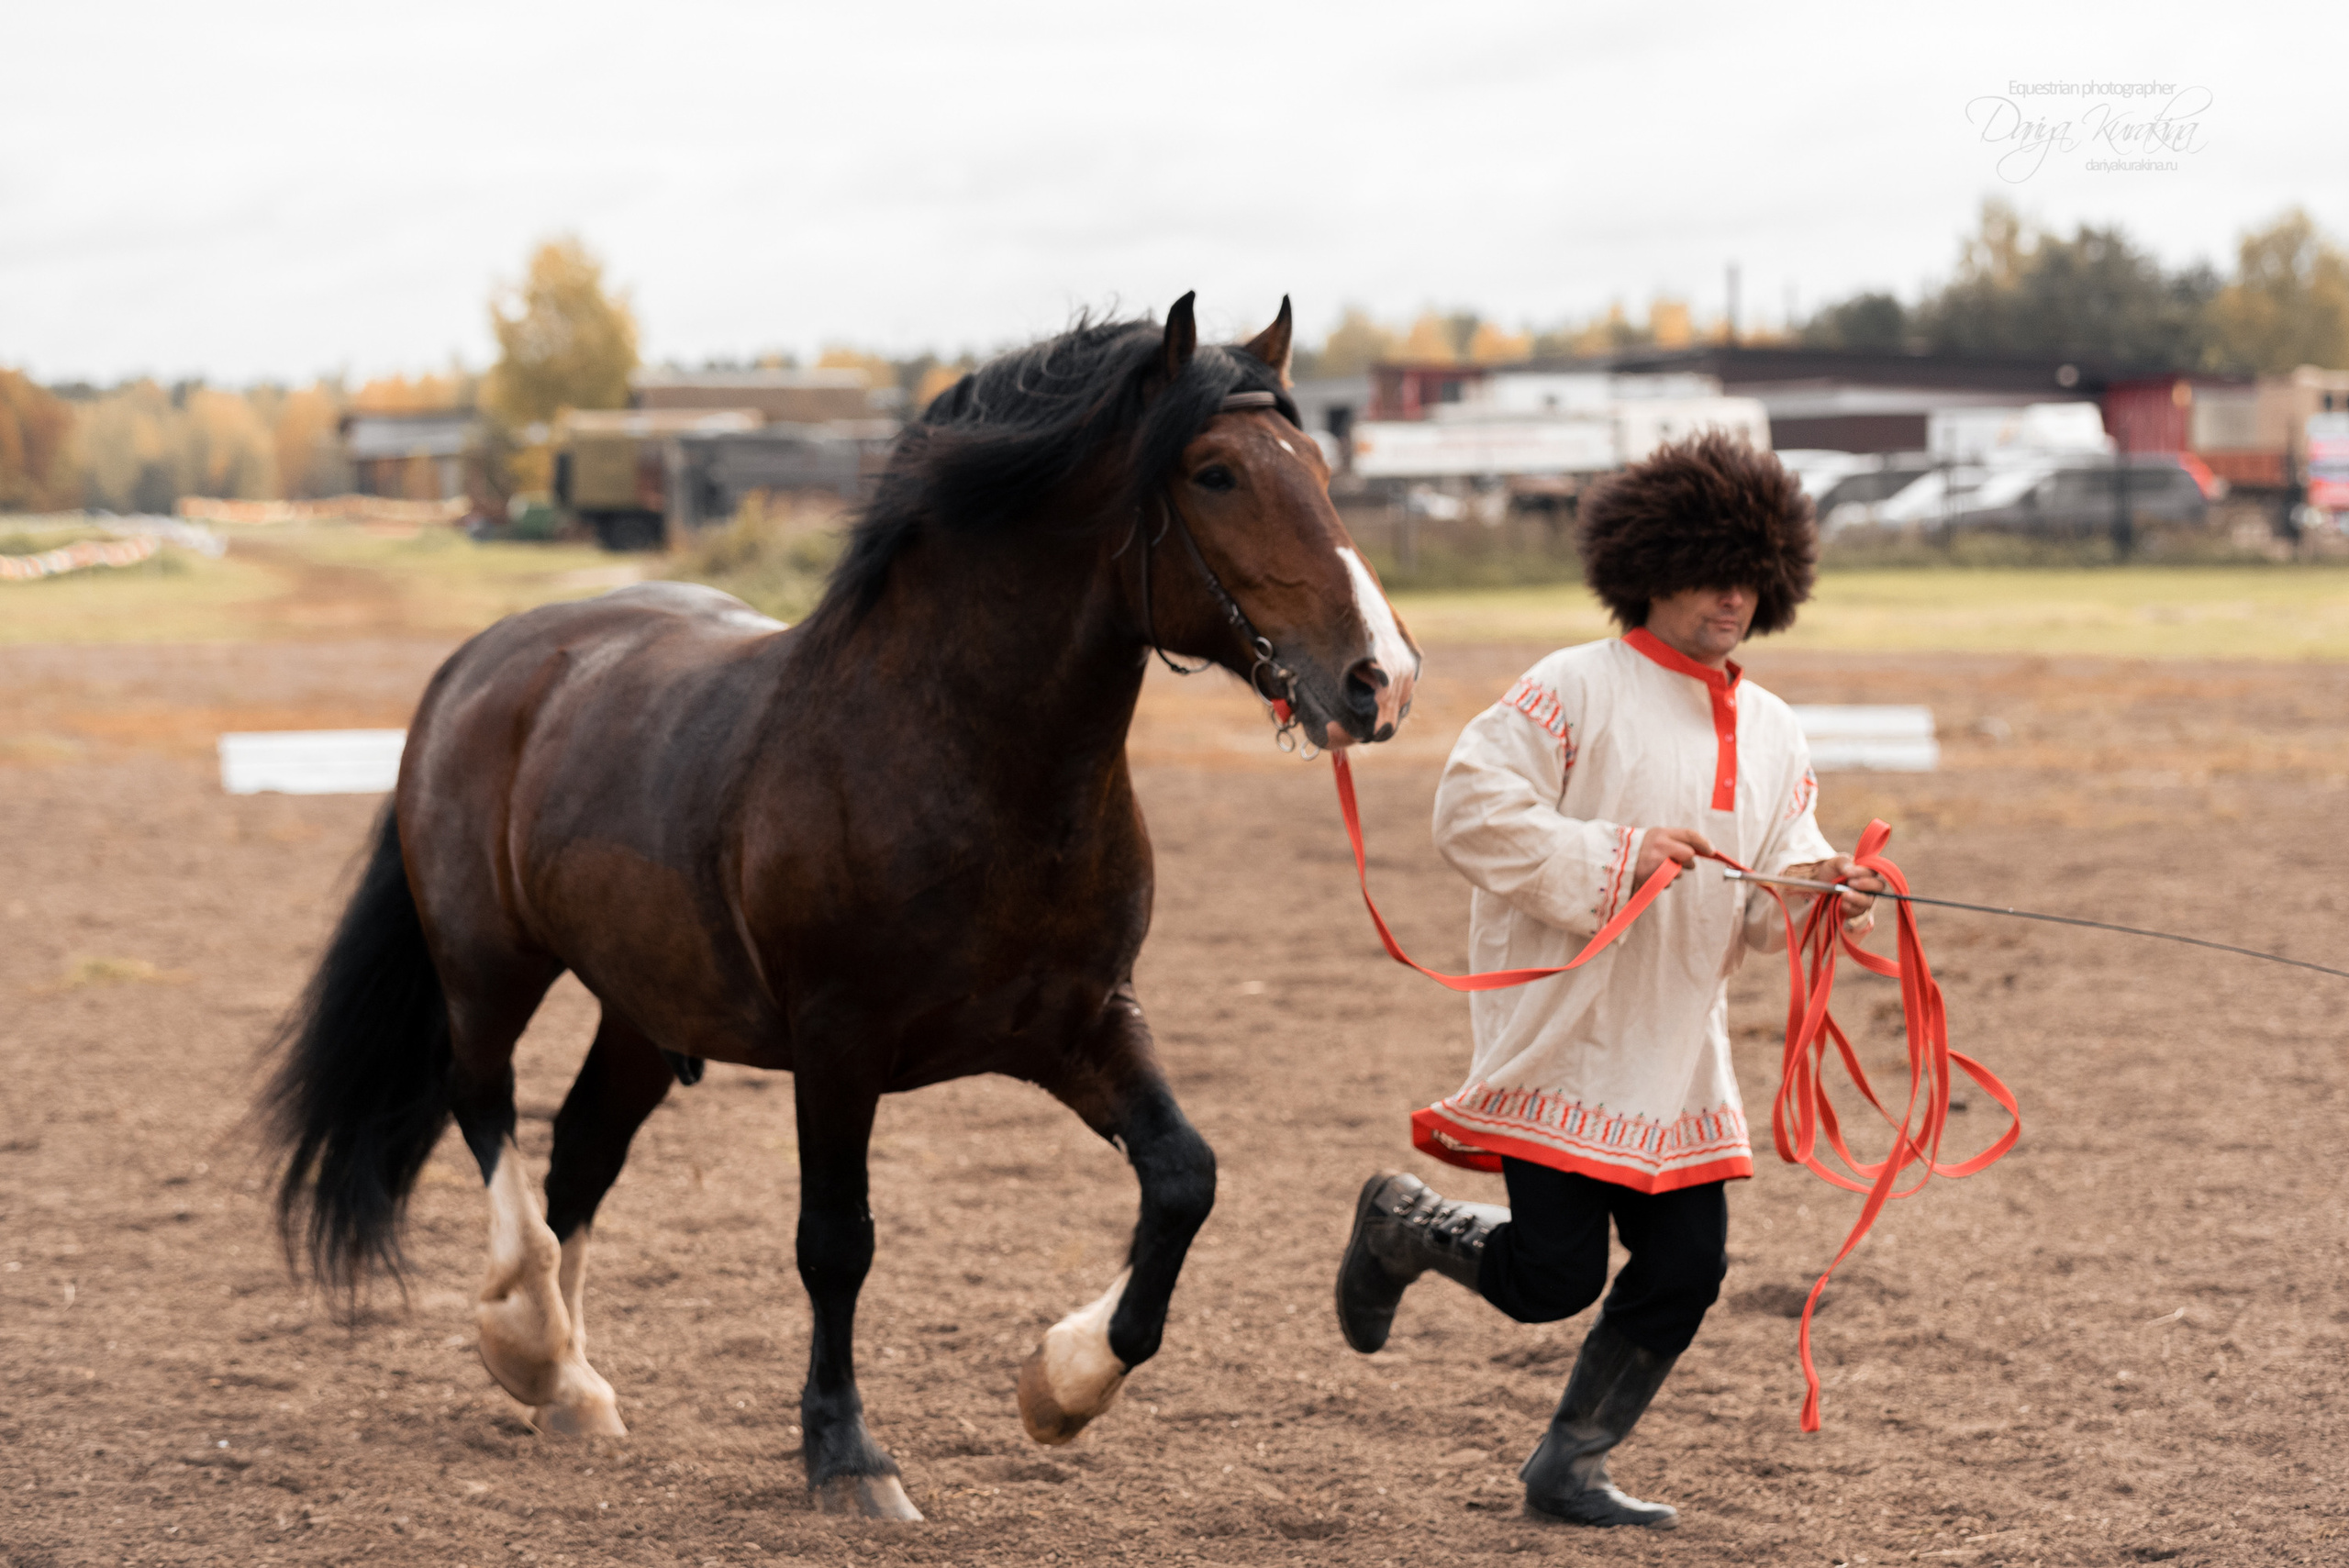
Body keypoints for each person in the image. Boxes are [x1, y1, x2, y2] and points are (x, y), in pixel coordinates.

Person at [1334, 431, 1884, 1530]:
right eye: (1707, 568)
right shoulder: (1567, 687)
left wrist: (1828, 886)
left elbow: (1776, 876)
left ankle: (1569, 1465)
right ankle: (1402, 1224)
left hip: (1681, 1055)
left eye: (1749, 574)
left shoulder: (1774, 726)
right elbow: (1470, 811)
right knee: (1552, 1277)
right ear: (1648, 563)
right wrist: (1616, 852)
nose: (1730, 595)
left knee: (1687, 1270)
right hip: (1565, 1033)